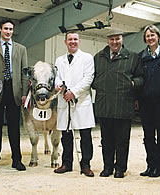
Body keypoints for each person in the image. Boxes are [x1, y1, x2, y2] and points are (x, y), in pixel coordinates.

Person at [92, 29, 143, 178]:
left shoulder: (132, 57)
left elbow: (141, 77)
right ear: (107, 40)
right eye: (112, 39)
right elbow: (92, 77)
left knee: (122, 140)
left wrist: (132, 83)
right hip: (104, 105)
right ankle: (107, 167)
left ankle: (120, 168)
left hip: (123, 105)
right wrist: (99, 84)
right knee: (106, 140)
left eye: (117, 39)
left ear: (122, 39)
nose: (115, 42)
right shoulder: (98, 57)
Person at [0, 18, 29, 171]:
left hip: (14, 92)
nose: (8, 31)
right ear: (0, 29)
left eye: (11, 29)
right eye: (6, 29)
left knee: (14, 128)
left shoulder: (21, 49)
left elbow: (24, 73)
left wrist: (24, 93)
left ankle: (17, 160)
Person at [53, 31, 95, 177]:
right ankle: (67, 163)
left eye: (75, 39)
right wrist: (58, 85)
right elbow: (56, 77)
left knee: (85, 136)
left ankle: (86, 165)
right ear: (65, 42)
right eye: (70, 39)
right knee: (66, 135)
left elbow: (88, 78)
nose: (73, 41)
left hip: (81, 101)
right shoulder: (59, 60)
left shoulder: (87, 58)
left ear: (79, 41)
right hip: (64, 102)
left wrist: (74, 92)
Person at [138, 25, 160, 177]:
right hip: (146, 103)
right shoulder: (141, 57)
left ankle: (159, 166)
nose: (150, 38)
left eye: (152, 35)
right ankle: (150, 165)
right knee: (148, 136)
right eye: (147, 36)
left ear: (158, 36)